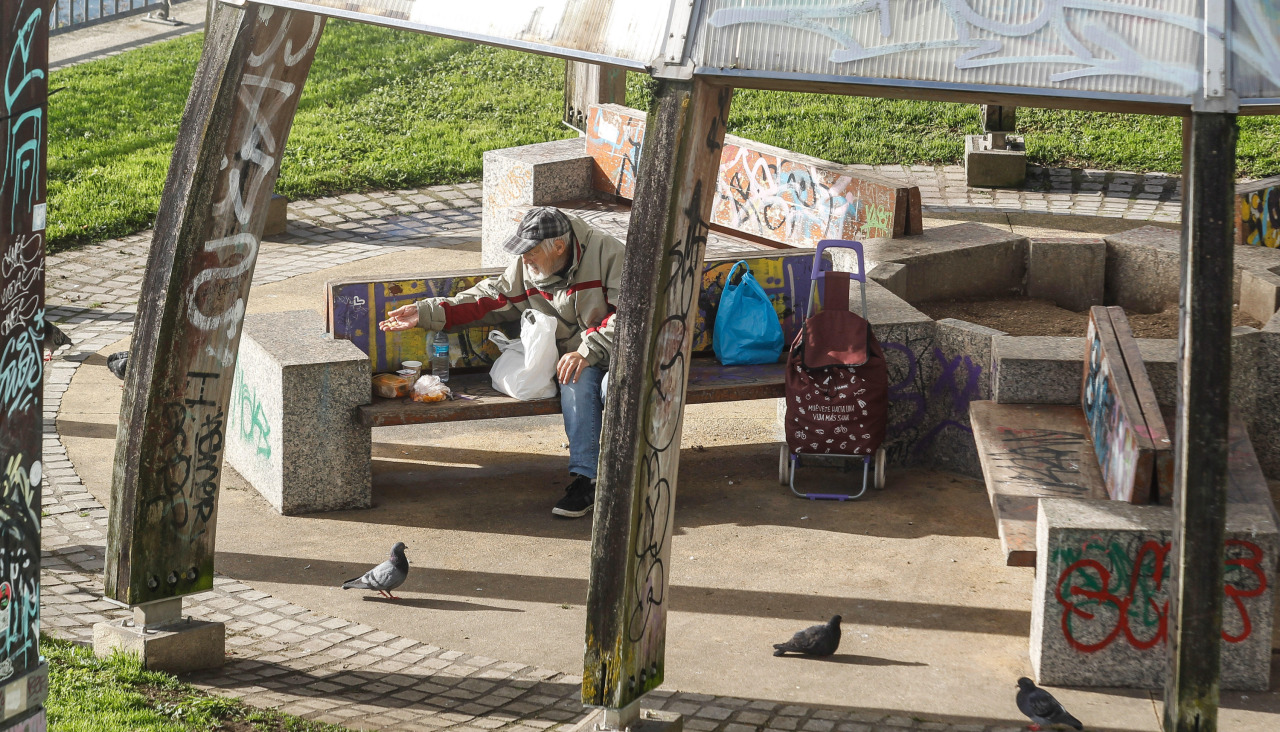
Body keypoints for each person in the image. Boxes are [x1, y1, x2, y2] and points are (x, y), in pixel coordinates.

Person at [378, 206, 623, 519]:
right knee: (575, 378)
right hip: (576, 360)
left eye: (530, 252)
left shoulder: (609, 254)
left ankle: (625, 477)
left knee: (614, 389)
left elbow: (629, 315)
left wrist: (587, 351)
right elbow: (490, 298)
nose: (524, 260)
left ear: (558, 247)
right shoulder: (529, 267)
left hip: (620, 353)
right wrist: (427, 312)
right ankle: (588, 480)